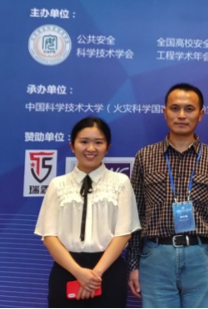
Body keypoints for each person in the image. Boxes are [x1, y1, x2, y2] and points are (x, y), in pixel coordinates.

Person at [126, 83, 208, 309]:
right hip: (156, 258)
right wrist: (133, 264)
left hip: (202, 258)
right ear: (164, 112)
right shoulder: (145, 156)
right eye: (175, 108)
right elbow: (135, 216)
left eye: (189, 109)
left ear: (201, 114)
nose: (182, 115)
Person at [35, 117, 140, 308]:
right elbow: (49, 236)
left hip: (108, 270)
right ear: (72, 146)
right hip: (67, 269)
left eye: (98, 142)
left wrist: (95, 275)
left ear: (107, 148)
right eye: (84, 142)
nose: (91, 148)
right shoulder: (57, 184)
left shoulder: (121, 182)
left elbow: (124, 233)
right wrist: (79, 273)